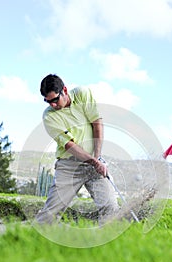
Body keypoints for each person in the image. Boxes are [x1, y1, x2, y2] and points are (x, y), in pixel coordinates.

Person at [36, 74, 118, 225]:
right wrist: (95, 161)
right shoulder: (48, 116)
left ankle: (106, 244)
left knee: (110, 207)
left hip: (94, 162)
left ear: (64, 90)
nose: (52, 105)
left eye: (55, 100)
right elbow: (70, 146)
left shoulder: (82, 94)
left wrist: (97, 157)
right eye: (47, 102)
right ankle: (25, 241)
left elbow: (97, 124)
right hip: (69, 166)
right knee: (50, 214)